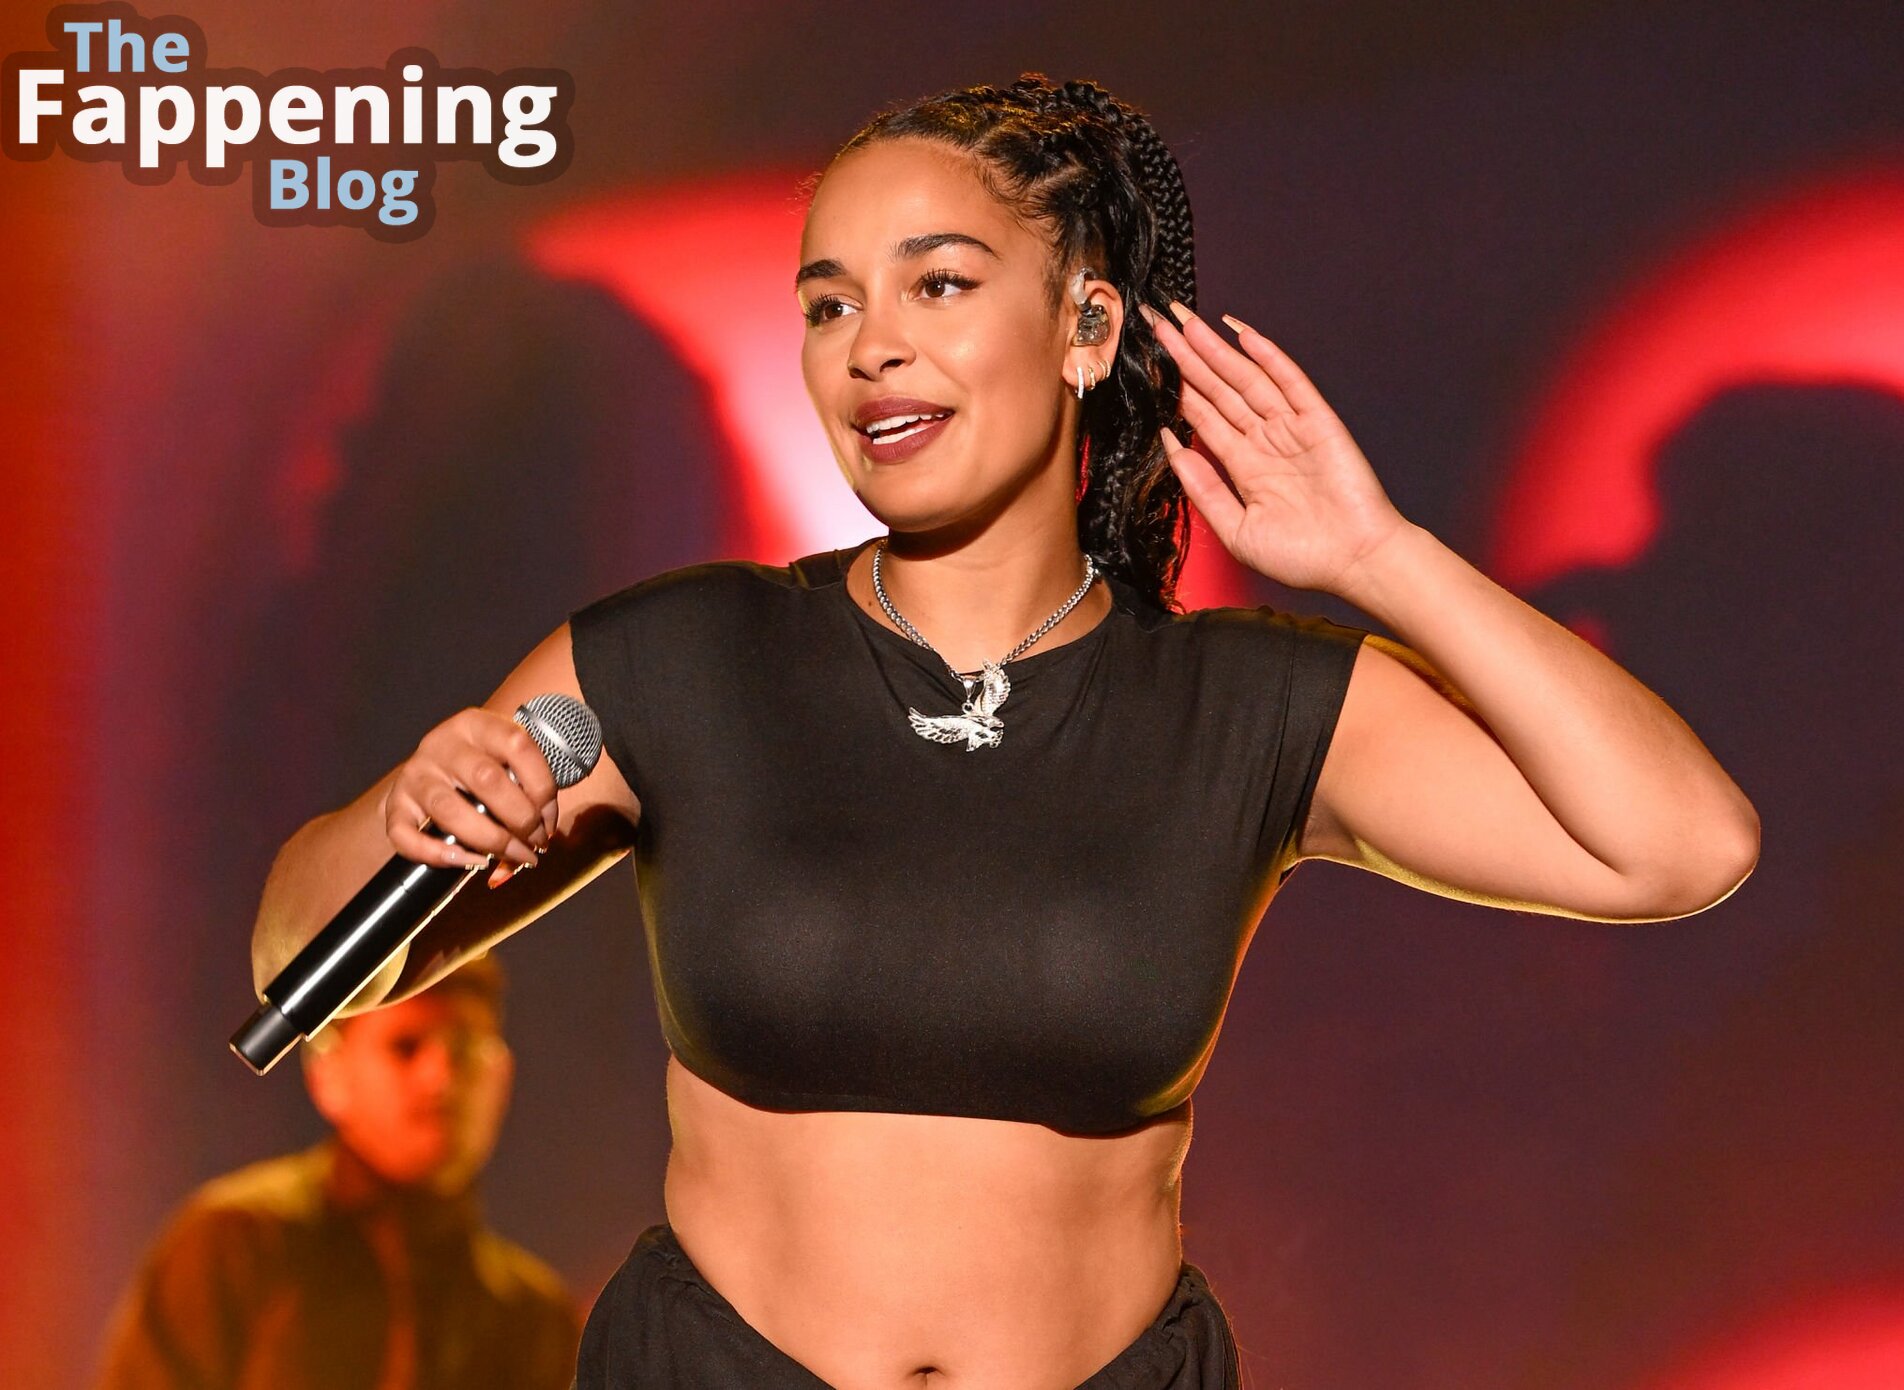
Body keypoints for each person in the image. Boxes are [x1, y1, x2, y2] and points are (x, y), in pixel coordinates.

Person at [246, 73, 1761, 1390]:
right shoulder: (684, 655)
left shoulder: (1241, 701)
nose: (871, 347)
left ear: (1087, 325)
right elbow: (293, 965)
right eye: (830, 303)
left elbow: (1681, 844)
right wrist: (403, 814)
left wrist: (1379, 556)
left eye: (940, 286)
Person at [93, 956, 580, 1390]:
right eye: (405, 1047)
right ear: (328, 1075)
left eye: (466, 1049)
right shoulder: (238, 1243)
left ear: (503, 1076)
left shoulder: (536, 1318)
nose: (441, 1078)